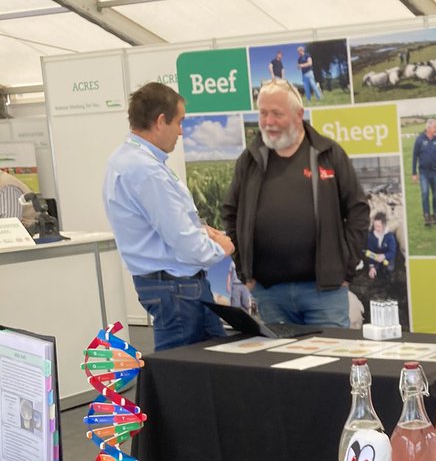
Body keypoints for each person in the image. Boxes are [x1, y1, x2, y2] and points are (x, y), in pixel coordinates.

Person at [222, 78, 368, 327]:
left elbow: (358, 211)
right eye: (263, 113)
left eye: (277, 114)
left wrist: (345, 270)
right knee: (280, 366)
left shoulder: (328, 154)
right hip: (269, 294)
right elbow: (230, 214)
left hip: (325, 294)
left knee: (328, 364)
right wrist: (244, 273)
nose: (268, 122)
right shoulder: (249, 160)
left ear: (299, 114)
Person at [103, 82, 233, 352]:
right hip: (177, 289)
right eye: (179, 122)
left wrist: (201, 231)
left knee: (215, 365)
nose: (182, 132)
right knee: (181, 375)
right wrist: (221, 247)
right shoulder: (147, 171)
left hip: (169, 286)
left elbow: (169, 224)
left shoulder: (125, 159)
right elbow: (184, 241)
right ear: (160, 121)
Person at [412, 118, 436, 226]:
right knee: (425, 193)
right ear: (428, 127)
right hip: (423, 173)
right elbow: (414, 157)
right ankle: (427, 216)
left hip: (435, 173)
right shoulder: (419, 140)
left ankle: (435, 214)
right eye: (435, 127)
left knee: (435, 195)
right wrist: (414, 173)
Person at [365, 211, 397, 281]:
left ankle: (388, 274)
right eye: (375, 226)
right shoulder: (371, 236)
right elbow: (370, 252)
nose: (376, 228)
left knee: (390, 268)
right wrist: (371, 266)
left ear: (384, 225)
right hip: (376, 256)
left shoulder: (390, 237)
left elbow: (392, 252)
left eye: (378, 226)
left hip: (387, 256)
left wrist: (384, 256)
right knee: (374, 270)